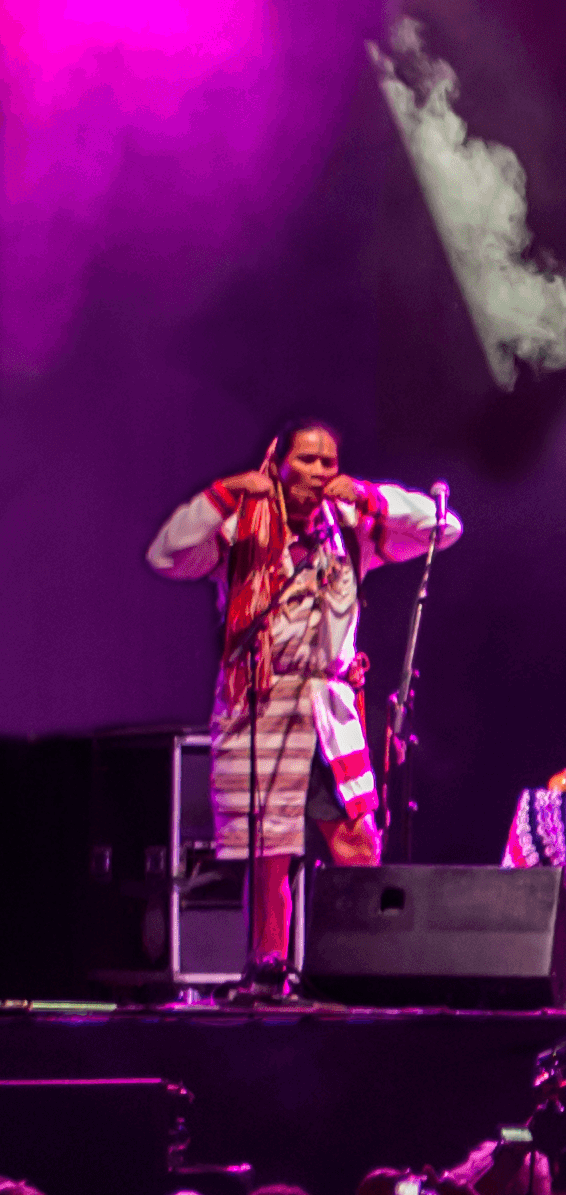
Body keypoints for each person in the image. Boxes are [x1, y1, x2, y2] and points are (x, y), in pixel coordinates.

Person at [145, 418, 462, 976]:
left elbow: (446, 526)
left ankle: (372, 966)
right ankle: (269, 971)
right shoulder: (239, 529)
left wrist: (367, 494)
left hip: (326, 706)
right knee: (270, 855)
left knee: (357, 839)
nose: (319, 473)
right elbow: (166, 555)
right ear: (278, 463)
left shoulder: (352, 527)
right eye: (307, 460)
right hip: (261, 703)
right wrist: (224, 494)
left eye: (329, 463)